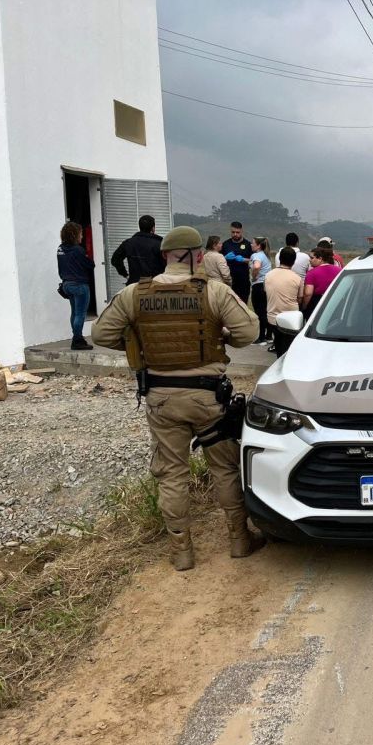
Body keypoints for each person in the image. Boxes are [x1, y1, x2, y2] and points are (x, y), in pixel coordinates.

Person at [91, 226, 263, 571]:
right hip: (208, 398)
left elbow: (101, 334)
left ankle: (182, 551)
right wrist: (222, 335)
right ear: (198, 255)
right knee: (225, 468)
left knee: (171, 474)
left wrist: (138, 341)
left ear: (164, 255)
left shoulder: (134, 294)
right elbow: (249, 332)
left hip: (162, 398)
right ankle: (239, 540)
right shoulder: (213, 291)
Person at [57, 221, 95, 350]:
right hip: (79, 285)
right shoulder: (78, 250)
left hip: (67, 284)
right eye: (80, 234)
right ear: (75, 235)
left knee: (74, 312)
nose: (82, 237)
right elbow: (90, 265)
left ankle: (77, 337)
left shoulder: (60, 249)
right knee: (80, 314)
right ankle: (77, 339)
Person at [264, 247, 305, 358]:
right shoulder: (297, 278)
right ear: (293, 261)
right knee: (288, 347)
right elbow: (300, 298)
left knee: (278, 344)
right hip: (291, 319)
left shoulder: (268, 275)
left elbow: (266, 292)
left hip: (273, 317)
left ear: (280, 258)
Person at [110, 215, 164, 284]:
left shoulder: (128, 243)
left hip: (135, 285)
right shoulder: (160, 244)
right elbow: (168, 264)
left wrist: (125, 275)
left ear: (140, 227)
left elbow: (115, 259)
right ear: (153, 228)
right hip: (155, 284)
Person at [303, 247, 342, 317]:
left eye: (312, 258)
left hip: (316, 303)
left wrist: (304, 306)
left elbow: (308, 293)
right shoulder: (339, 270)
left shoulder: (311, 273)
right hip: (335, 302)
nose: (309, 260)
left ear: (320, 259)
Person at [220, 221, 252, 303]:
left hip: (243, 282)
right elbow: (218, 260)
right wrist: (225, 258)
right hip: (228, 281)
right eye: (233, 232)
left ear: (241, 231)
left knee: (243, 305)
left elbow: (253, 261)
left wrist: (244, 259)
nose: (235, 234)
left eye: (237, 232)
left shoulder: (248, 245)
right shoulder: (225, 244)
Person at [250, 237, 273, 344]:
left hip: (258, 285)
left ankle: (261, 337)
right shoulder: (266, 256)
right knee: (266, 311)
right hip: (267, 285)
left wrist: (254, 277)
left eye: (253, 243)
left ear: (259, 245)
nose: (251, 245)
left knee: (259, 312)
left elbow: (256, 266)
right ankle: (268, 336)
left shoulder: (256, 255)